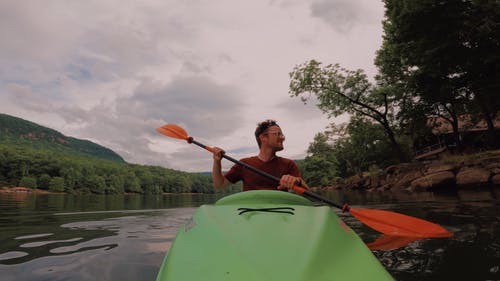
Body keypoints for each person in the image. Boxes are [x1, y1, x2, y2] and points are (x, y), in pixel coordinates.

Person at [211, 119, 308, 191]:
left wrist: (297, 181)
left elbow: (307, 192)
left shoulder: (288, 164)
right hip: (251, 215)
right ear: (263, 138)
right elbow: (219, 184)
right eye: (277, 134)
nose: (282, 138)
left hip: (280, 214)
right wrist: (217, 161)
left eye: (281, 135)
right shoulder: (244, 164)